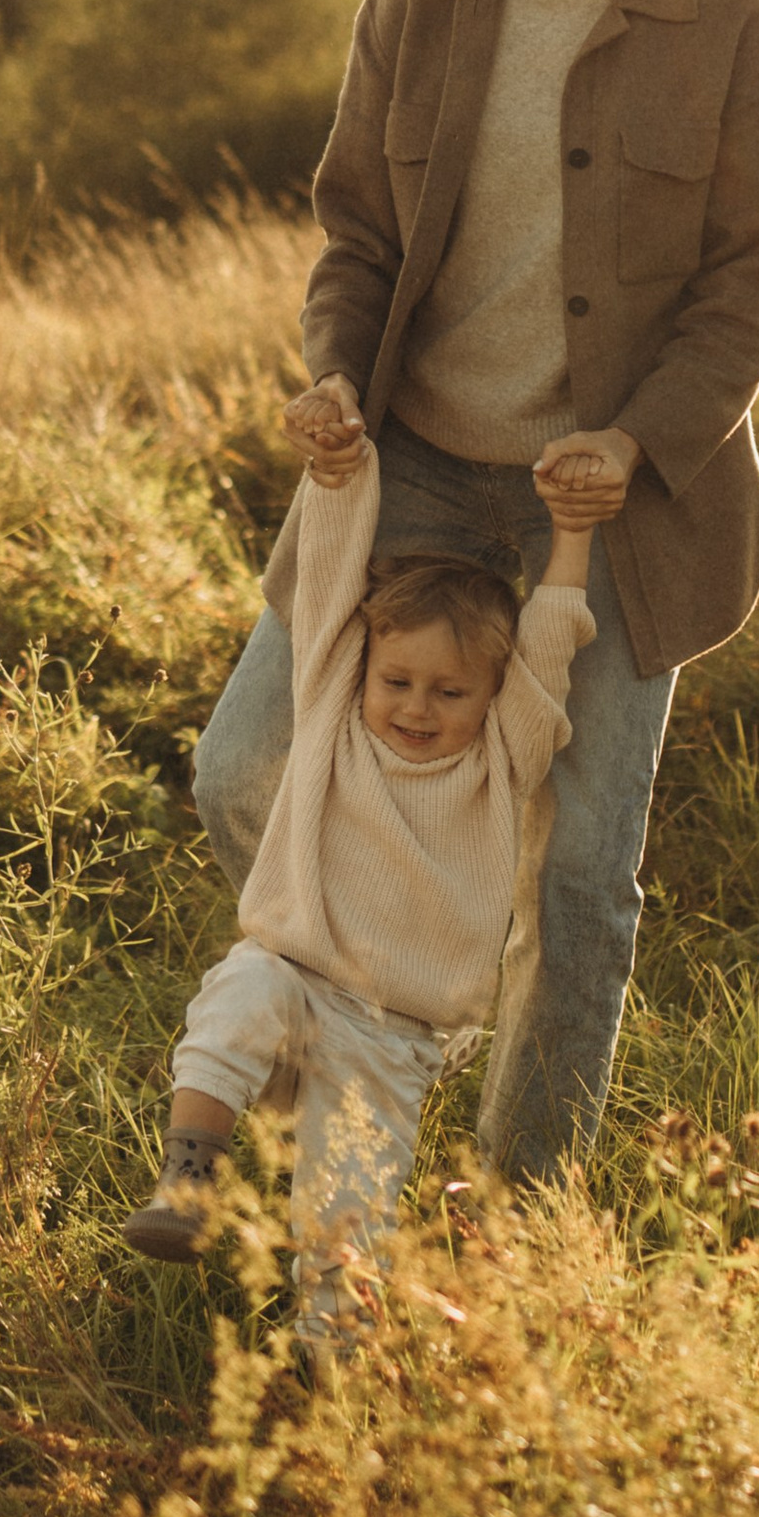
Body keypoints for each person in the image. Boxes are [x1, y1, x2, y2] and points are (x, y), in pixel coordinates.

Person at [190, 0, 759, 1184]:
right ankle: (329, 1102)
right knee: (249, 774)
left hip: (614, 516)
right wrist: (335, 376)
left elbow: (756, 280)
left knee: (581, 876)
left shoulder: (726, 17)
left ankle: (523, 1207)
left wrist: (642, 442)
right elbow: (357, 237)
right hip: (406, 477)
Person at [126, 411, 611, 1339]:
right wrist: (340, 479)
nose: (417, 707)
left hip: (393, 1037)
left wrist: (573, 531)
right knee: (242, 988)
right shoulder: (330, 710)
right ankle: (189, 1186)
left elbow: (550, 637)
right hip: (294, 984)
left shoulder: (503, 758)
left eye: (450, 691)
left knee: (346, 1218)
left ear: (493, 696)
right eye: (398, 682)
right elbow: (331, 580)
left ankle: (335, 1361)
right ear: (364, 672)